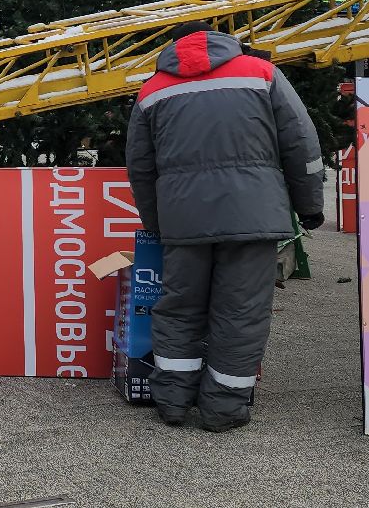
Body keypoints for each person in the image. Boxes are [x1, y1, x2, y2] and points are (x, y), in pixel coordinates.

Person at [126, 22, 325, 433]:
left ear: (174, 47)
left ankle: (173, 403)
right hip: (253, 217)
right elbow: (300, 142)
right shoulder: (261, 74)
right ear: (224, 41)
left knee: (179, 308)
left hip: (184, 220)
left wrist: (158, 223)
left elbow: (140, 169)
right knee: (242, 312)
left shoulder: (152, 90)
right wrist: (309, 206)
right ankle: (223, 409)